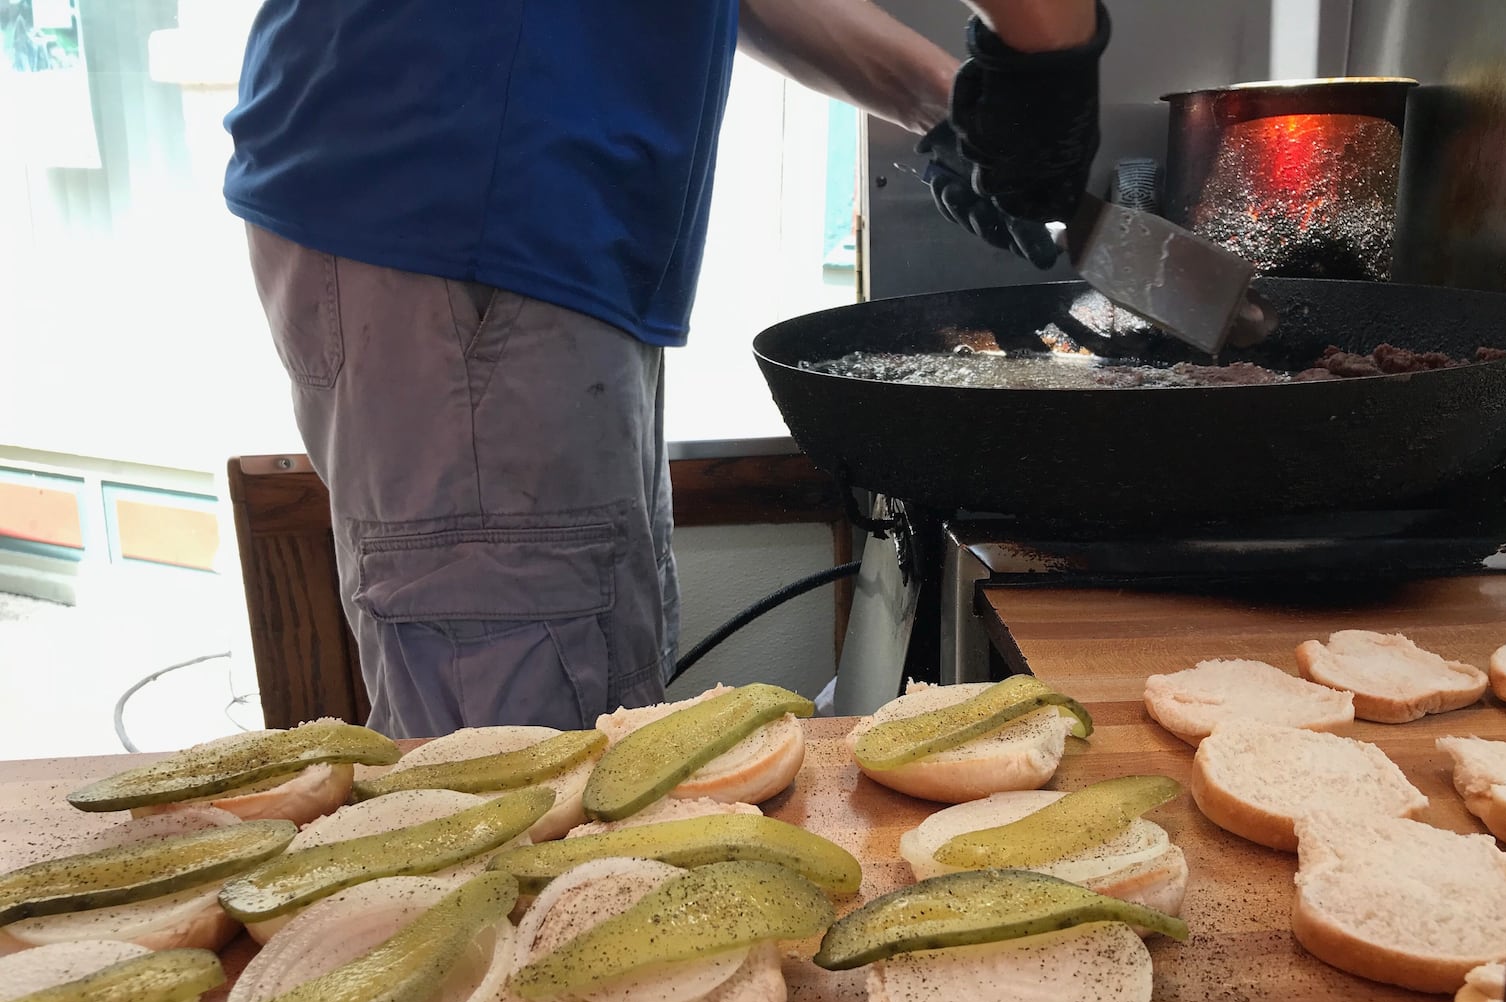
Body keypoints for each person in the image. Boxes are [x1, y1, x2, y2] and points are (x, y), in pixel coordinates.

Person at [225, 0, 1109, 738]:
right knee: (522, 777)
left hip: (507, 223)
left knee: (597, 718)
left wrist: (955, 110)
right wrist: (1051, 52)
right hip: (468, 210)